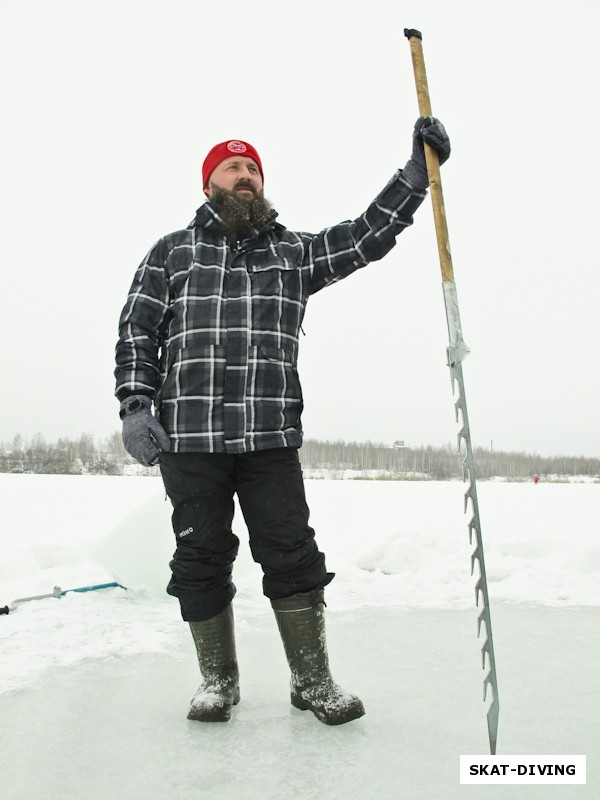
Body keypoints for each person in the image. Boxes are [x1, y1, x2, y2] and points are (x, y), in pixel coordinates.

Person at [114, 118, 451, 725]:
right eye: (232, 168)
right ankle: (218, 681)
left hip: (269, 436)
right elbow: (137, 331)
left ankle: (313, 681)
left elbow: (366, 236)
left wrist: (415, 175)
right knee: (199, 556)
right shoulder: (173, 252)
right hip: (190, 440)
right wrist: (137, 405)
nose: (245, 177)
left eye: (253, 170)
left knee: (292, 555)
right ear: (208, 183)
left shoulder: (292, 252)